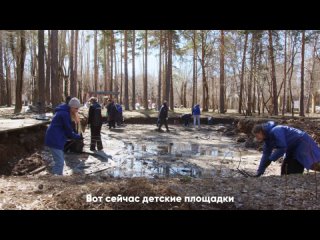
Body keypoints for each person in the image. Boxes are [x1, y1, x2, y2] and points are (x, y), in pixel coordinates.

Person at [252, 121, 320, 177]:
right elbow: (265, 155)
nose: (256, 138)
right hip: (291, 147)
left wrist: (271, 159)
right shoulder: (267, 140)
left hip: (302, 142)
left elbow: (282, 147)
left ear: (261, 132)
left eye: (257, 136)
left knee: (302, 164)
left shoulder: (277, 130)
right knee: (285, 168)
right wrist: (260, 172)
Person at [45, 97, 82, 175]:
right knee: (60, 162)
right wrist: (77, 136)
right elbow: (68, 129)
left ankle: (57, 177)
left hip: (55, 137)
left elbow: (67, 129)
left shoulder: (64, 111)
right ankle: (56, 180)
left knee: (59, 161)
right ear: (71, 107)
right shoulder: (64, 114)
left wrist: (74, 135)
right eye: (76, 108)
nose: (77, 110)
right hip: (55, 138)